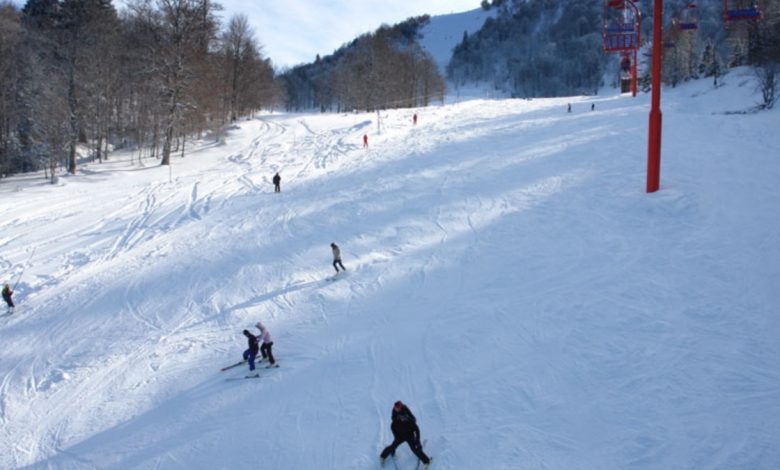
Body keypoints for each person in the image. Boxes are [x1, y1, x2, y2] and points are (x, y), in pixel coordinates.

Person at [380, 401, 431, 466]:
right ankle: (382, 457)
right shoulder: (395, 420)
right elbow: (392, 427)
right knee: (393, 446)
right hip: (400, 435)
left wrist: (418, 440)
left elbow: (417, 429)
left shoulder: (409, 419)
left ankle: (427, 462)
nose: (396, 410)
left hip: (409, 436)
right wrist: (396, 436)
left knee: (415, 449)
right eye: (395, 408)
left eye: (403, 418)